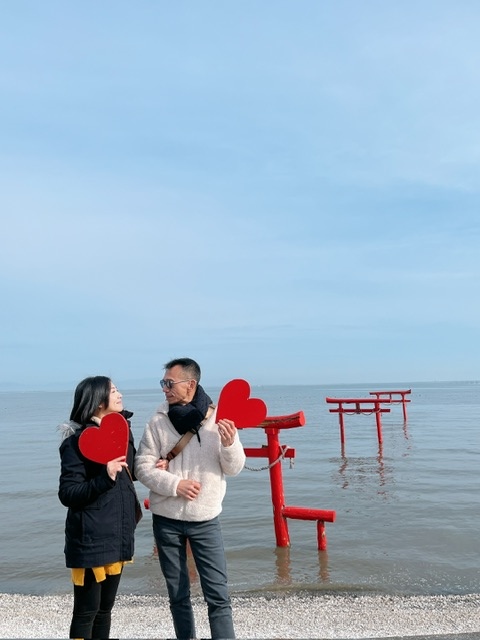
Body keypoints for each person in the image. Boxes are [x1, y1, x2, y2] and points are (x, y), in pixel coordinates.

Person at [135, 358, 245, 640]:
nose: (165, 389)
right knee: (178, 595)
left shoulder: (218, 418)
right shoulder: (157, 420)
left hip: (205, 518)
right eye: (163, 383)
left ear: (190, 384)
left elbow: (233, 468)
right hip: (166, 519)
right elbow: (142, 467)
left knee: (218, 595)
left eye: (169, 383)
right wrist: (175, 485)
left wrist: (231, 444)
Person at [58, 376, 140, 640]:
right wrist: (105, 477)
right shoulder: (75, 442)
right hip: (90, 538)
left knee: (106, 610)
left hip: (119, 533)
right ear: (97, 401)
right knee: (86, 611)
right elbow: (68, 494)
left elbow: (131, 470)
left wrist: (153, 466)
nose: (119, 394)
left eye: (117, 389)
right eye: (113, 390)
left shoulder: (123, 431)